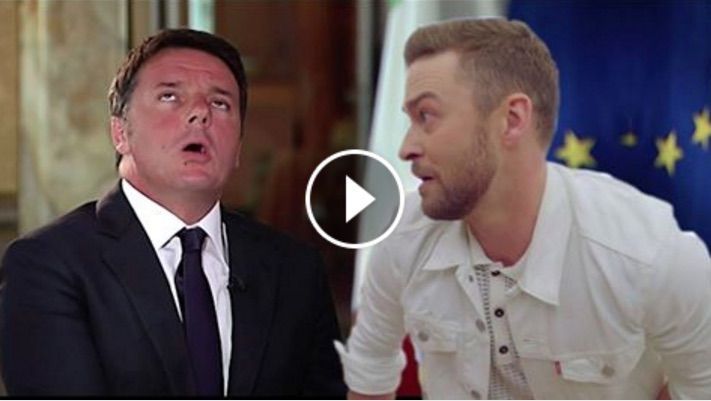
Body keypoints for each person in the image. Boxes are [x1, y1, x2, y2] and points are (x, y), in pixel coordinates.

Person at [336, 18, 711, 399]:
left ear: (512, 120)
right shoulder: (403, 236)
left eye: (427, 116)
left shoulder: (649, 255)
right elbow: (370, 376)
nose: (406, 148)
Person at [0, 28, 346, 397]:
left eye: (220, 103)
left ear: (238, 146)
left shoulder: (295, 270)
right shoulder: (47, 266)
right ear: (120, 133)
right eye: (170, 96)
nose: (200, 113)